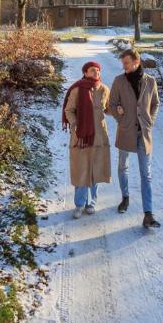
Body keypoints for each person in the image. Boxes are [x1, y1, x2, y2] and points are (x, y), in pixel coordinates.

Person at [108, 47, 161, 229]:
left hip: (144, 135)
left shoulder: (150, 82)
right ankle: (125, 197)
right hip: (125, 132)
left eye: (127, 63)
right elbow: (112, 105)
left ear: (136, 62)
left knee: (146, 174)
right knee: (123, 167)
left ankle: (148, 214)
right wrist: (120, 117)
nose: (124, 67)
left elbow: (155, 103)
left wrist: (150, 121)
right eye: (123, 64)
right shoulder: (119, 81)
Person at [62, 61, 112, 219]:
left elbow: (108, 108)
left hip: (99, 136)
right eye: (92, 70)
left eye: (98, 70)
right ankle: (79, 204)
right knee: (81, 169)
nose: (96, 72)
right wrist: (75, 124)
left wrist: (118, 109)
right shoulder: (77, 90)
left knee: (95, 170)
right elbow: (68, 110)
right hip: (81, 136)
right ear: (85, 72)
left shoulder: (104, 89)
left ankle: (92, 203)